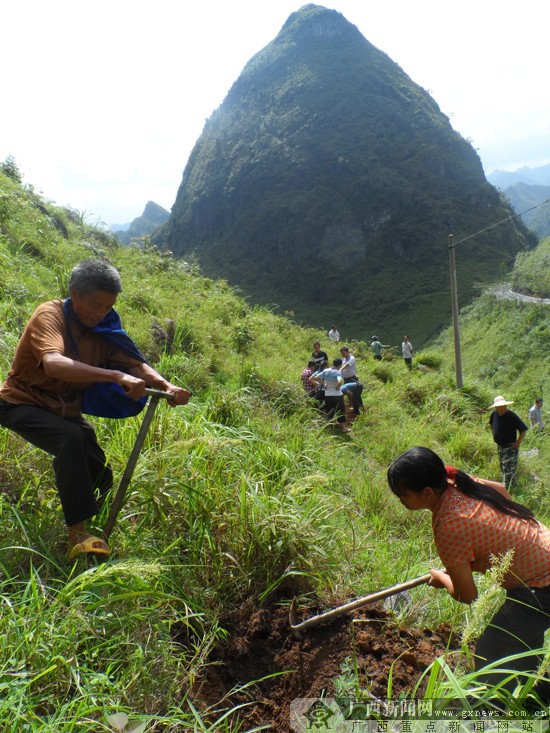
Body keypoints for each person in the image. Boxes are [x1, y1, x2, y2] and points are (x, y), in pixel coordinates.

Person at [0, 259, 191, 560]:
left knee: (99, 470)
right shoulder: (50, 316)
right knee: (69, 440)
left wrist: (166, 386)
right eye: (95, 305)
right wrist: (114, 376)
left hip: (65, 408)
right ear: (74, 293)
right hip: (21, 402)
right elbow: (54, 363)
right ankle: (77, 536)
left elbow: (132, 363)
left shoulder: (103, 326)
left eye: (107, 306)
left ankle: (93, 522)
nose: (101, 313)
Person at [387, 446, 550, 702]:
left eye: (402, 495)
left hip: (541, 586)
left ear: (427, 493)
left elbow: (468, 595)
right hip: (544, 545)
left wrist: (442, 579)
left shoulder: (449, 526)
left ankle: (491, 713)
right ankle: (535, 701)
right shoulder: (455, 480)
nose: (400, 500)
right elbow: (501, 490)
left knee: (491, 653)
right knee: (523, 644)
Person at [488, 395, 528, 490]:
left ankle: (506, 490)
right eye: (499, 407)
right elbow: (491, 424)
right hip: (500, 446)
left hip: (510, 447)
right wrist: (495, 435)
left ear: (506, 406)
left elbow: (523, 430)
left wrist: (517, 443)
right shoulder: (494, 415)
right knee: (503, 466)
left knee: (508, 469)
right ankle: (514, 485)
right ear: (496, 408)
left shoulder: (512, 416)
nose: (502, 408)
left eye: (503, 406)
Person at [309, 358, 348, 431]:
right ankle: (343, 428)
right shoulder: (338, 372)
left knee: (329, 410)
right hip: (337, 395)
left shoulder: (326, 371)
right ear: (340, 365)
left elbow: (316, 377)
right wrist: (337, 386)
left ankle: (330, 427)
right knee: (340, 410)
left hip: (327, 394)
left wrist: (323, 384)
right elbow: (339, 381)